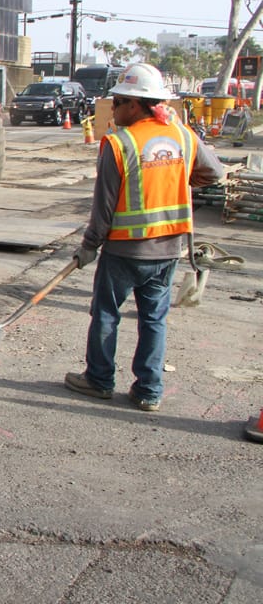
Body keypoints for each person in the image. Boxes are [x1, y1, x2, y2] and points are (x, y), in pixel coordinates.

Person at [64, 63, 224, 412]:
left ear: (136, 104)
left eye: (118, 101)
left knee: (106, 313)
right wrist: (181, 181)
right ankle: (149, 391)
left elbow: (103, 205)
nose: (114, 108)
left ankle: (99, 380)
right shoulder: (182, 135)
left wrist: (89, 246)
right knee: (154, 320)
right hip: (168, 249)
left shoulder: (120, 143)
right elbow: (214, 172)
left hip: (124, 251)